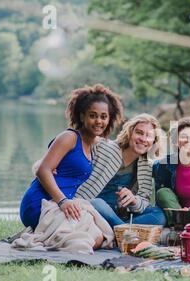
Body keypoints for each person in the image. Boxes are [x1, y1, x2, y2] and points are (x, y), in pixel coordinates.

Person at [19, 84, 124, 242]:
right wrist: (63, 201)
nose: (98, 121)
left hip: (63, 205)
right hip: (42, 204)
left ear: (109, 119)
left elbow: (118, 146)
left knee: (100, 237)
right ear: (82, 116)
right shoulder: (69, 137)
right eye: (93, 115)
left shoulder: (92, 145)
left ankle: (53, 237)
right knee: (87, 240)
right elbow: (43, 170)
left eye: (104, 116)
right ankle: (47, 238)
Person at [75, 113, 166, 227]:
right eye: (139, 132)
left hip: (118, 215)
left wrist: (134, 200)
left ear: (154, 141)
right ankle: (123, 230)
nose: (143, 139)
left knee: (159, 215)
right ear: (130, 133)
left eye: (149, 136)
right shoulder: (105, 147)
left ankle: (119, 229)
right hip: (91, 208)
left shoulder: (146, 165)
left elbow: (144, 201)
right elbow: (75, 148)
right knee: (98, 203)